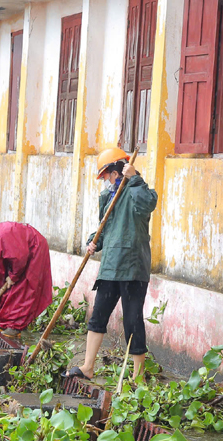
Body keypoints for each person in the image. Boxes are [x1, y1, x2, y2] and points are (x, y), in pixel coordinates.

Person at [65, 147, 158, 380]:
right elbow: (105, 229)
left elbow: (148, 204)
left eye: (107, 174)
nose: (105, 179)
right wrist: (93, 242)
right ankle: (87, 367)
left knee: (132, 321)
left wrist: (135, 178)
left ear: (118, 170)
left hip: (132, 269)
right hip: (109, 267)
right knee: (97, 317)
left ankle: (137, 377)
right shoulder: (108, 197)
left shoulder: (139, 191)